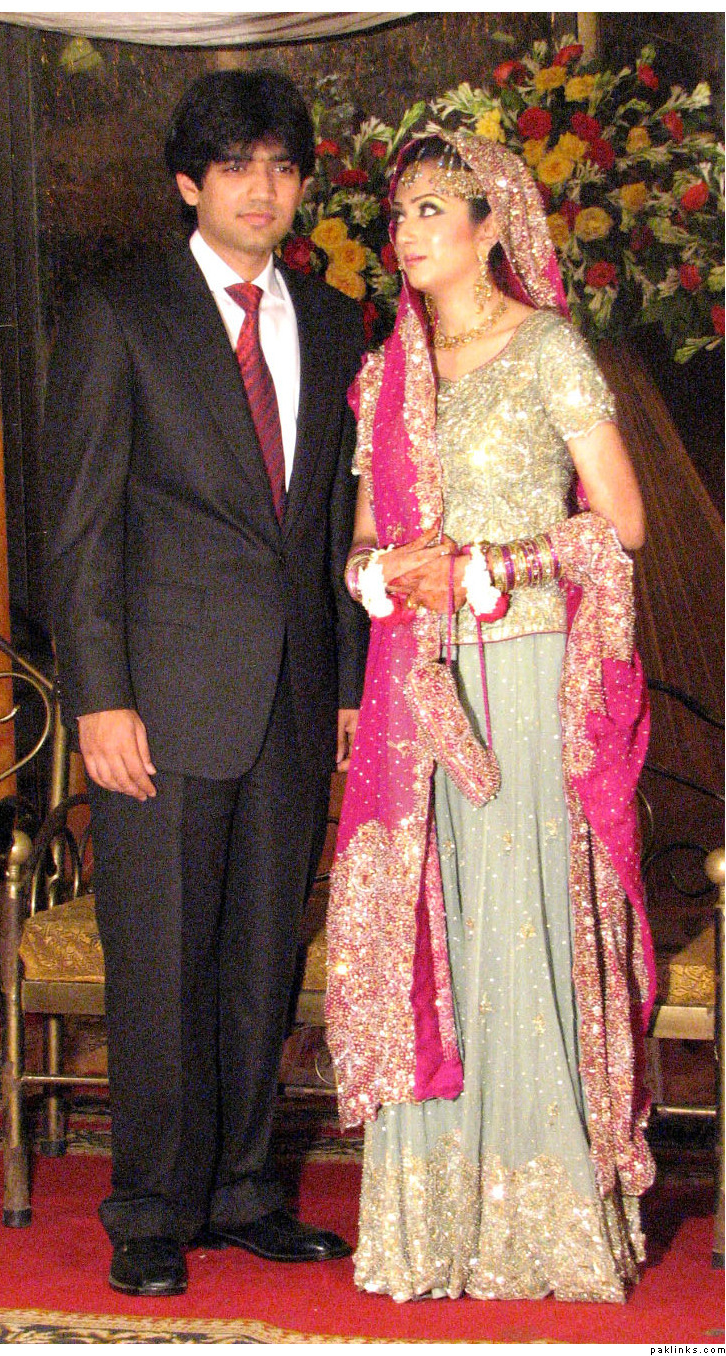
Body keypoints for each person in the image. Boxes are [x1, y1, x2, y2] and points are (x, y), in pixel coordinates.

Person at [41, 68, 368, 1297]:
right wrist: (98, 697)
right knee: (162, 960)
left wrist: (347, 686)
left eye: (280, 167)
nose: (261, 189)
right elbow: (81, 527)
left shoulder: (333, 322)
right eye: (236, 168)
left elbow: (329, 523)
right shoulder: (120, 312)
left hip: (293, 697)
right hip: (159, 701)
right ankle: (149, 1205)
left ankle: (241, 1189)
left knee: (259, 958)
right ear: (189, 183)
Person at [326, 130, 656, 1303]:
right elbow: (365, 541)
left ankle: (542, 1223)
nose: (406, 232)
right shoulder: (386, 374)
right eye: (400, 212)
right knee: (433, 935)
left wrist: (484, 566)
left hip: (520, 677)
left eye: (431, 210)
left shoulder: (545, 348)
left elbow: (619, 522)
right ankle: (433, 1228)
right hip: (414, 690)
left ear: (487, 227)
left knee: (519, 925)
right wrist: (379, 575)